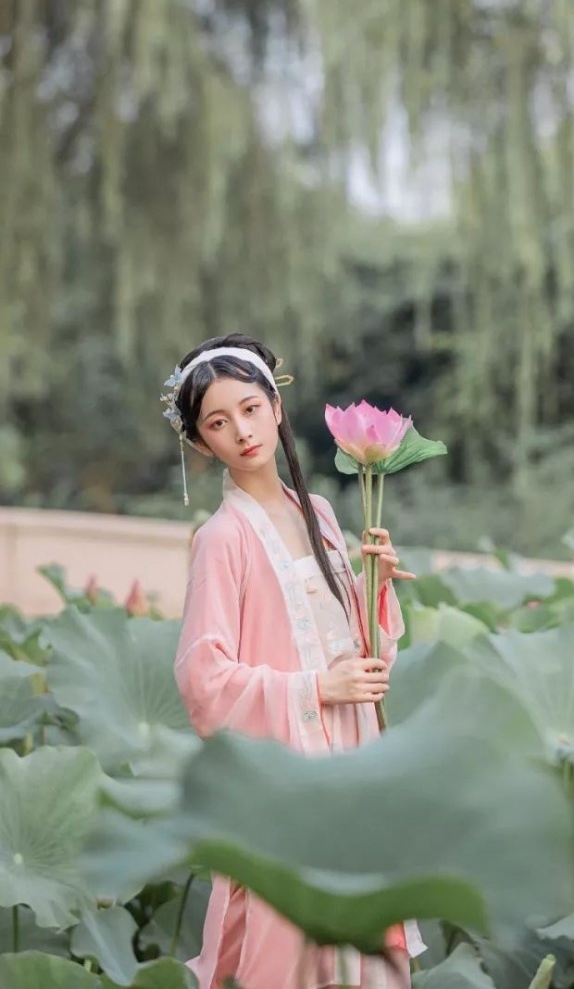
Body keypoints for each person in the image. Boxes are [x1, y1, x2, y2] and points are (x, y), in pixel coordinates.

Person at [166, 332, 425, 989]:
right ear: (200, 442)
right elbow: (203, 680)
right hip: (287, 784)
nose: (242, 431)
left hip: (354, 767)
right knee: (292, 955)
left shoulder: (324, 515)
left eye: (251, 408)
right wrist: (315, 687)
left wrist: (377, 585)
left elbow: (366, 658)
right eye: (218, 422)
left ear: (277, 408)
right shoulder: (221, 540)